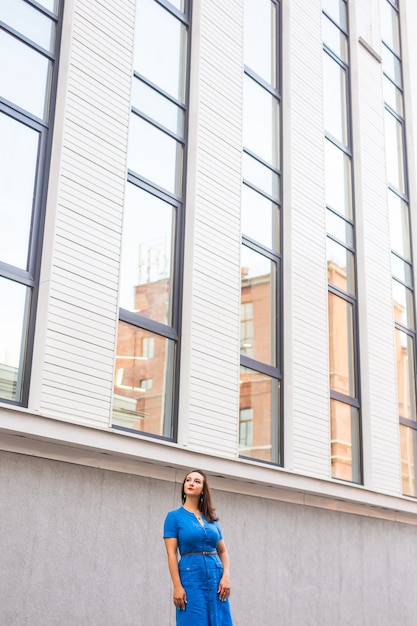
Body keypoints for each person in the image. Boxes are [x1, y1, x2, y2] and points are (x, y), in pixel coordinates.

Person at [163, 469, 234, 625]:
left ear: (203, 490)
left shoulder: (212, 519)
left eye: (197, 481)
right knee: (193, 620)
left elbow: (222, 551)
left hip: (216, 578)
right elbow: (171, 554)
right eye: (188, 480)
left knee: (219, 620)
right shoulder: (174, 517)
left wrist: (226, 576)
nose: (191, 483)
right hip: (191, 579)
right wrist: (177, 587)